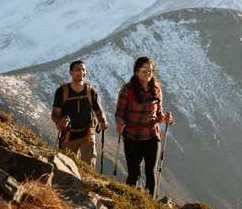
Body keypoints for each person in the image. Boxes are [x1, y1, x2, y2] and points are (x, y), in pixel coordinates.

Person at [114, 56, 174, 195]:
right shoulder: (127, 90)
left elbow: (158, 113)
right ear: (136, 71)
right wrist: (119, 124)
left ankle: (150, 204)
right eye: (144, 70)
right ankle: (129, 202)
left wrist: (165, 118)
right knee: (134, 173)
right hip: (131, 136)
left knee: (150, 172)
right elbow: (119, 113)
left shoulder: (156, 89)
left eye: (150, 71)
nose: (148, 73)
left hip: (151, 135)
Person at [51, 60, 106, 163]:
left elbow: (98, 109)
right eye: (78, 69)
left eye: (83, 70)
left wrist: (103, 121)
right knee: (66, 165)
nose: (81, 72)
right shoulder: (62, 91)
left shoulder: (90, 91)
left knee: (88, 165)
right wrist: (59, 122)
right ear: (71, 72)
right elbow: (55, 114)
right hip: (68, 135)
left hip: (88, 134)